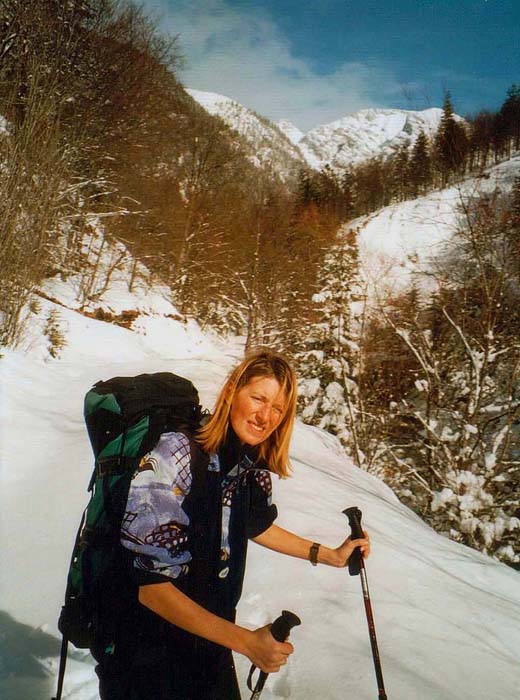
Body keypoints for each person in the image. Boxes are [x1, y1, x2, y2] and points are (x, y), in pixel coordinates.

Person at [94, 348, 370, 699]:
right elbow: (151, 588)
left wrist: (328, 554)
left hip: (209, 643)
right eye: (258, 398)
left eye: (278, 408)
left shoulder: (247, 465)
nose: (265, 416)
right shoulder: (174, 455)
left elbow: (255, 525)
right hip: (145, 654)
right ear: (232, 392)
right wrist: (248, 643)